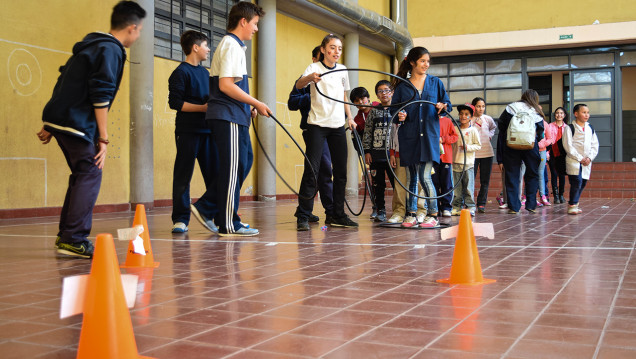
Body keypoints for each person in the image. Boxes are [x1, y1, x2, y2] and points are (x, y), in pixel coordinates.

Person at [36, 1, 146, 258]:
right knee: (90, 172)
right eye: (140, 30)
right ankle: (73, 238)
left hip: (63, 120)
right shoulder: (111, 50)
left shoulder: (91, 45)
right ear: (132, 28)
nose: (139, 35)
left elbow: (64, 80)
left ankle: (68, 235)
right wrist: (103, 139)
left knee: (81, 174)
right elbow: (101, 94)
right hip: (77, 123)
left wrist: (52, 123)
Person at [190, 1, 270, 236]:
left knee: (242, 162)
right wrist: (256, 102)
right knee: (233, 168)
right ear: (243, 21)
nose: (256, 29)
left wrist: (249, 107)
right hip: (227, 116)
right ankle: (227, 222)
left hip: (236, 115)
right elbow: (225, 86)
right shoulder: (231, 45)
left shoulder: (235, 47)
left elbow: (232, 86)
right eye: (255, 24)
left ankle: (213, 209)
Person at [294, 33, 357, 231]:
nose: (336, 51)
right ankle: (303, 215)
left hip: (338, 125)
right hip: (317, 125)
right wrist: (309, 78)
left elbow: (344, 95)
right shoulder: (314, 68)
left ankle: (336, 214)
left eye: (339, 48)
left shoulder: (343, 69)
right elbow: (298, 86)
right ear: (323, 50)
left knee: (340, 172)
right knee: (312, 171)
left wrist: (350, 117)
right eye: (332, 47)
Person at [391, 46, 451, 228]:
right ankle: (411, 214)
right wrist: (400, 114)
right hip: (409, 136)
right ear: (412, 62)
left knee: (425, 176)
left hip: (429, 136)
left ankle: (432, 214)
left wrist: (442, 106)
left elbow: (447, 104)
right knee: (411, 177)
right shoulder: (403, 86)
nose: (426, 64)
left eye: (428, 61)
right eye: (423, 61)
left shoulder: (436, 83)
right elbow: (394, 109)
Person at [168, 30, 214, 233]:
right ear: (195, 47)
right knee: (183, 175)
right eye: (206, 45)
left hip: (208, 131)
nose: (208, 49)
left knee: (215, 175)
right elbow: (175, 103)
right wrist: (202, 108)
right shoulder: (180, 72)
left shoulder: (206, 73)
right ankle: (180, 218)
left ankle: (215, 214)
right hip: (187, 131)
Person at [288, 46, 334, 225]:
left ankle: (304, 210)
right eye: (321, 58)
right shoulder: (304, 81)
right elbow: (292, 102)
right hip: (312, 130)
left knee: (321, 170)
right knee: (319, 170)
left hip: (331, 130)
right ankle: (317, 212)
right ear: (314, 60)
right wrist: (311, 97)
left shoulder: (333, 80)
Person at [496, 89, 545, 214]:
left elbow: (501, 125)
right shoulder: (536, 111)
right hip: (530, 145)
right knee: (532, 174)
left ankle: (514, 206)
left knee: (512, 175)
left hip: (511, 145)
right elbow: (540, 129)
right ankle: (531, 204)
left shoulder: (511, 107)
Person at [362, 80, 395, 222]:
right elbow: (368, 132)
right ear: (377, 95)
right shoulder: (373, 112)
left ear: (392, 92)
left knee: (397, 184)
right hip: (376, 155)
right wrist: (367, 151)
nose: (384, 93)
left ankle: (401, 210)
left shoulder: (398, 109)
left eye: (387, 90)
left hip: (392, 156)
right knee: (378, 185)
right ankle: (380, 210)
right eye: (380, 91)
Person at [562, 104, 599, 215]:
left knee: (583, 182)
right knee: (576, 181)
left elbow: (595, 145)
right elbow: (568, 146)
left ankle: (575, 203)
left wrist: (589, 158)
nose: (586, 115)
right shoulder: (570, 128)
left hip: (586, 162)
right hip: (574, 160)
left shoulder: (590, 128)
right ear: (576, 114)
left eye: (588, 112)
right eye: (583, 112)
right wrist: (580, 158)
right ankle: (572, 204)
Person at [350, 86, 380, 219]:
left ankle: (402, 209)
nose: (361, 102)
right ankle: (378, 208)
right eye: (357, 101)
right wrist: (364, 154)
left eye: (362, 98)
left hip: (389, 153)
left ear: (368, 98)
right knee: (376, 182)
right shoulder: (356, 121)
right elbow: (357, 141)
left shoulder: (380, 107)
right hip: (372, 156)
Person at [451, 104, 482, 216]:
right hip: (455, 162)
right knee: (456, 188)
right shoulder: (455, 129)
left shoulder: (473, 130)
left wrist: (468, 147)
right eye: (461, 114)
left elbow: (478, 145)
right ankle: (456, 206)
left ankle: (470, 206)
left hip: (468, 163)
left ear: (470, 116)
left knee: (468, 187)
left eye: (466, 114)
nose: (463, 116)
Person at [470, 97, 497, 213]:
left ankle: (481, 203)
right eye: (478, 106)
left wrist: (490, 136)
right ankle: (469, 203)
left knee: (484, 181)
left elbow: (493, 128)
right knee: (471, 180)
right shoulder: (470, 119)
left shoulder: (488, 119)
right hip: (473, 154)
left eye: (483, 106)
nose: (481, 109)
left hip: (487, 153)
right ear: (473, 107)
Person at [433, 114, 458, 217]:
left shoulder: (448, 121)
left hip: (446, 157)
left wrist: (443, 139)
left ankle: (446, 207)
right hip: (433, 157)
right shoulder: (429, 119)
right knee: (434, 183)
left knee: (446, 183)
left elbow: (455, 136)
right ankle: (436, 207)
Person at [548, 107, 569, 204]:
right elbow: (547, 139)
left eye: (561, 113)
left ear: (564, 115)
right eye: (557, 113)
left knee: (562, 175)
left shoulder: (567, 128)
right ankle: (555, 196)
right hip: (552, 152)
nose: (559, 115)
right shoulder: (550, 126)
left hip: (563, 154)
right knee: (554, 173)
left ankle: (561, 195)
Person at [537, 115, 555, 206]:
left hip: (542, 152)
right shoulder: (529, 121)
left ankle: (543, 196)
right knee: (528, 174)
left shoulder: (545, 124)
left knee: (540, 174)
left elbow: (550, 139)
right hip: (530, 151)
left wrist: (542, 144)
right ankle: (526, 196)